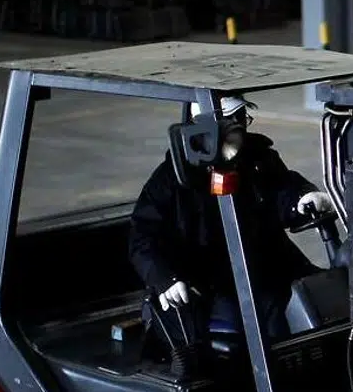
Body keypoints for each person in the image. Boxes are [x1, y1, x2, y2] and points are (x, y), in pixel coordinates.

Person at [128, 95, 334, 345]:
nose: (238, 126)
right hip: (209, 279)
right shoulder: (172, 180)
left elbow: (281, 188)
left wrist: (302, 197)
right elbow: (144, 238)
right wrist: (166, 279)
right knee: (270, 320)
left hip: (266, 263)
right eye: (230, 122)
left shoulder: (256, 158)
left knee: (324, 299)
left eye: (239, 119)